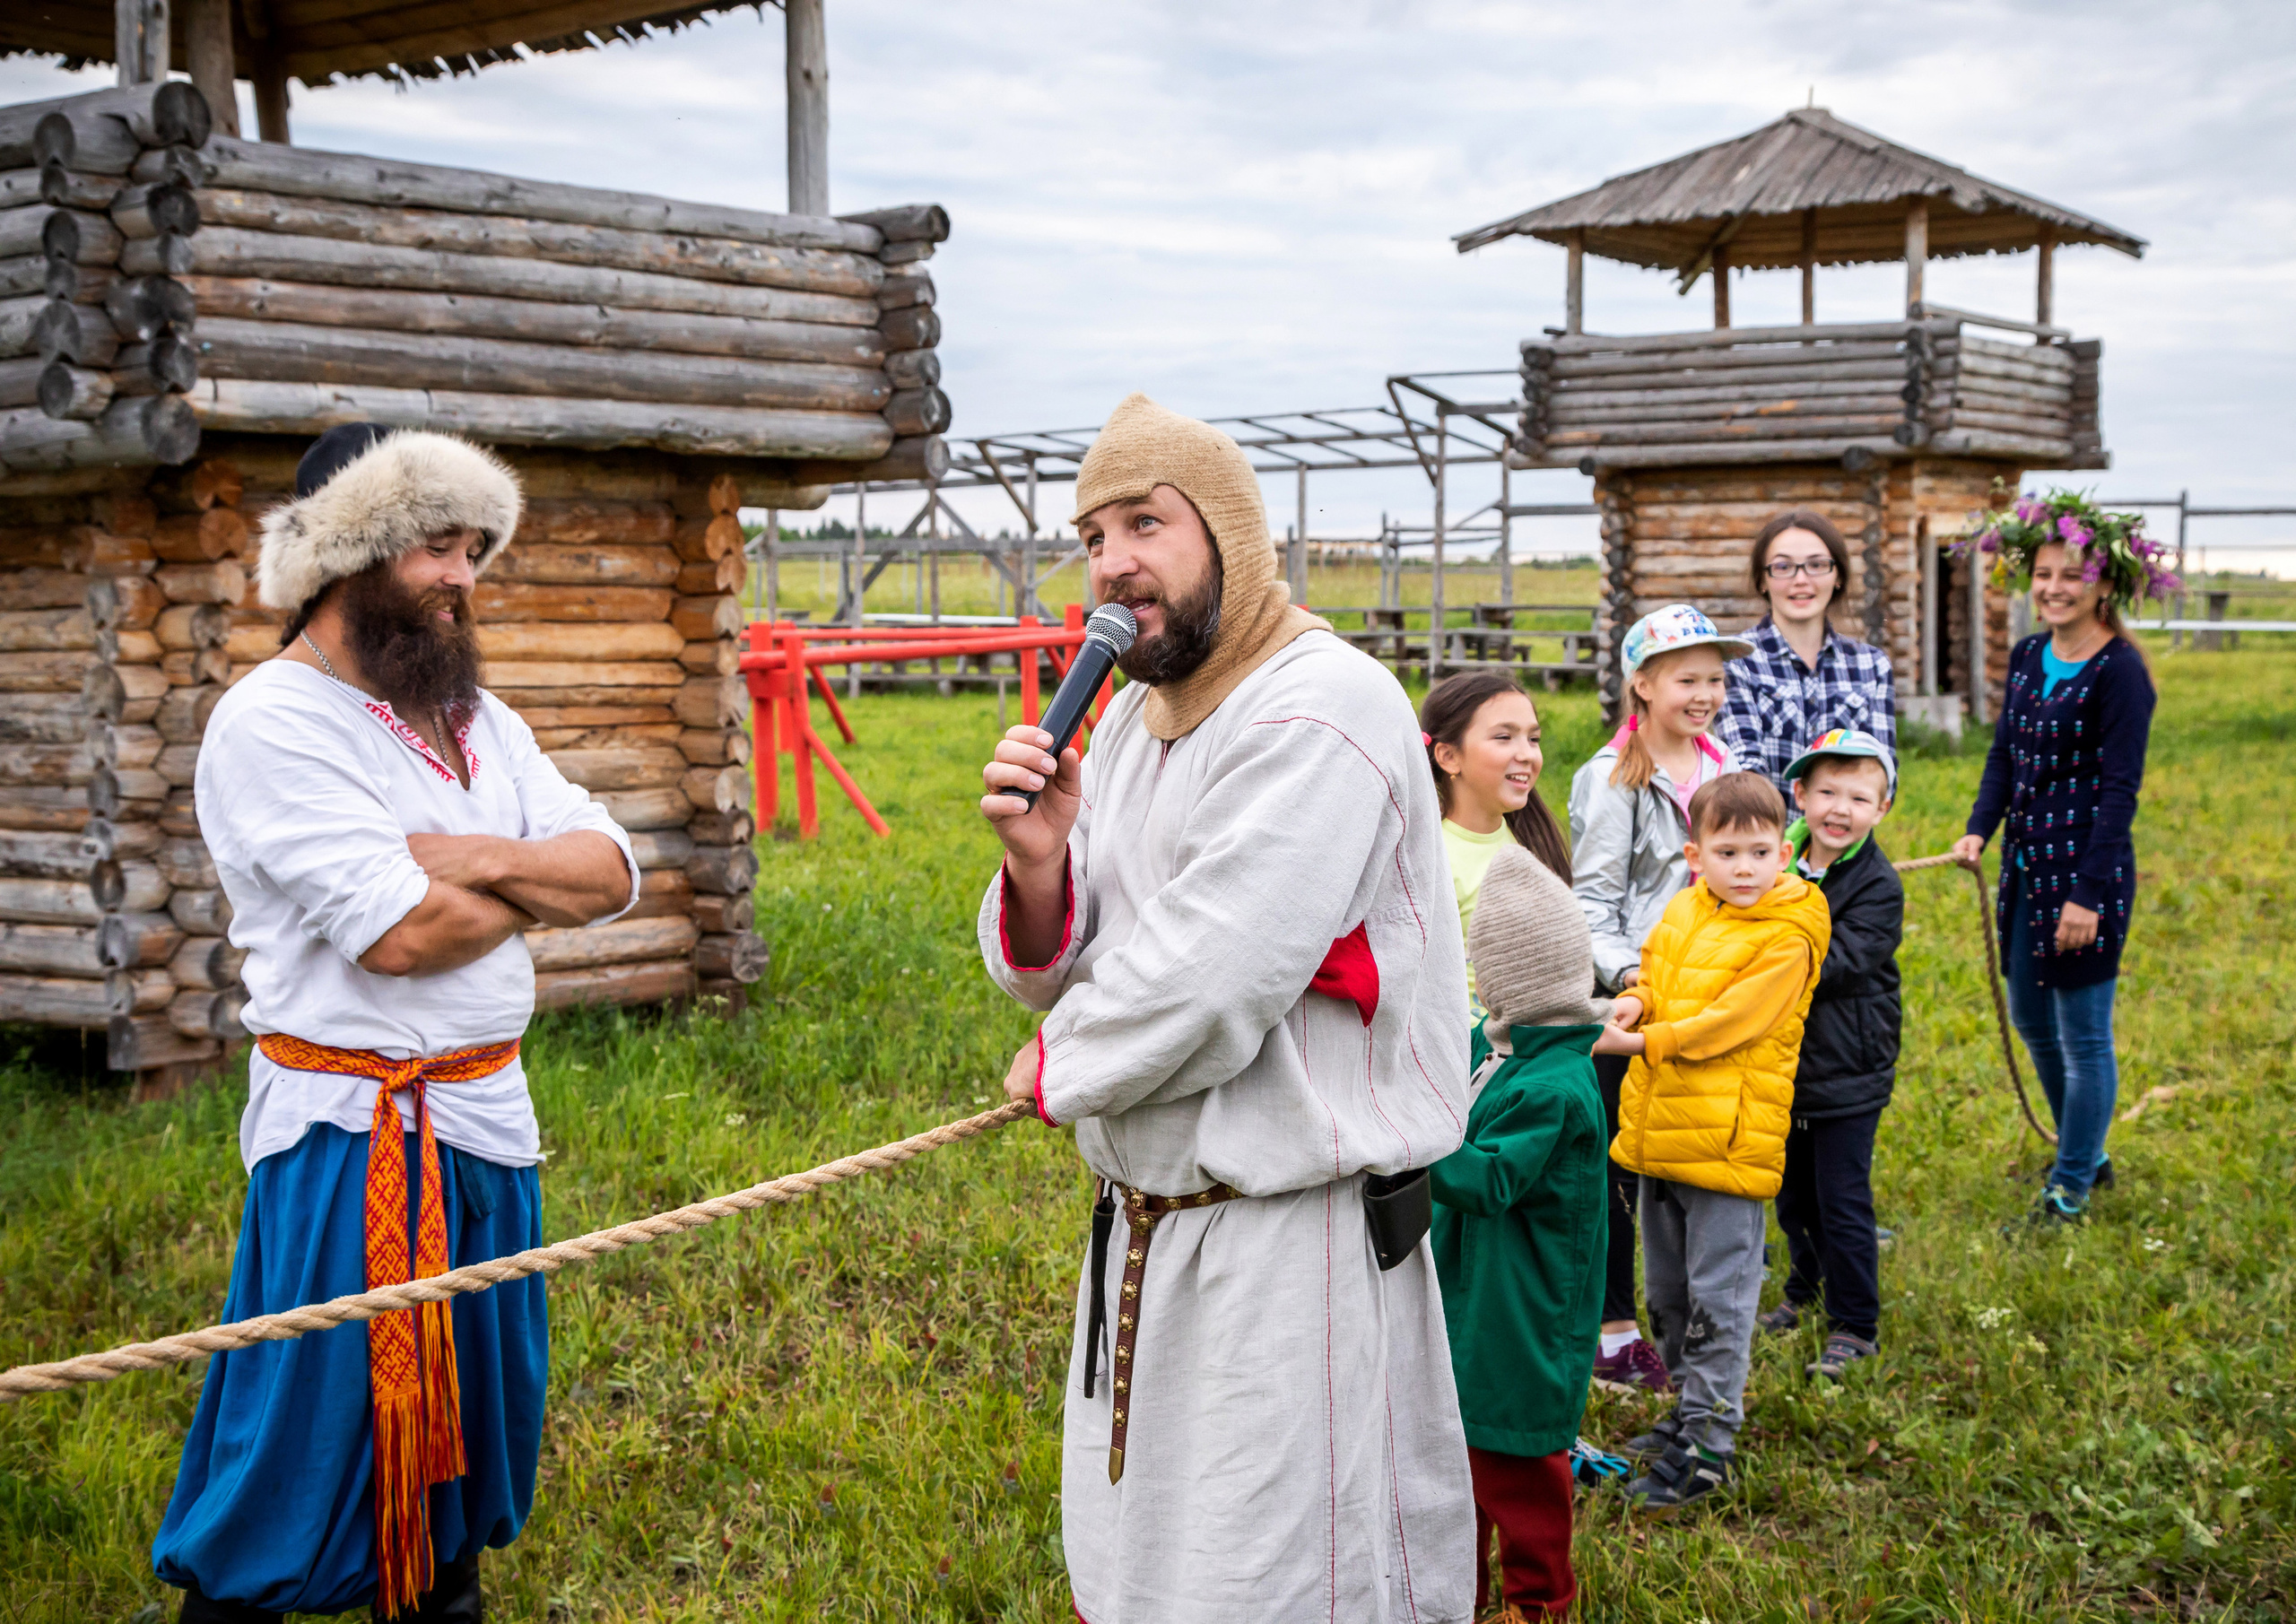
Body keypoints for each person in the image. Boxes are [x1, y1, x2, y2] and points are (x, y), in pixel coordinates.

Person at [975, 394, 1474, 1624]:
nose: (1113, 563)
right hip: (1146, 1225)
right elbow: (1083, 945)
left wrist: (1059, 1062)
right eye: (1093, 534)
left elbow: (1215, 968)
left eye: (1146, 522)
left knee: (1278, 1575)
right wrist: (1042, 863)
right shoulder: (1145, 721)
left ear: (1234, 536)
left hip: (1285, 1241)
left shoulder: (1325, 704)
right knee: (1148, 1563)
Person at [153, 425, 640, 1622]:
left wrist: (474, 853)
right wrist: (531, 879)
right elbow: (401, 934)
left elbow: (614, 870)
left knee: (470, 1431)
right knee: (302, 1455)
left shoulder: (476, 721)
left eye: (474, 547)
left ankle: (445, 1602)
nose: (462, 575)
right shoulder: (274, 721)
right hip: (351, 1136)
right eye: (436, 544)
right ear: (346, 553)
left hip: (485, 1119)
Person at [1596, 770, 1829, 1508]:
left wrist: (1641, 1043)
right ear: (1696, 855)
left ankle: (1710, 1446)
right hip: (1662, 1132)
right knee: (1666, 1294)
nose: (1747, 869)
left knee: (1718, 1301)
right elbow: (1662, 983)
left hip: (1727, 1147)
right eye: (1729, 853)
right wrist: (1633, 1002)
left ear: (1783, 851)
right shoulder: (1683, 911)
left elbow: (1730, 1023)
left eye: (1762, 852)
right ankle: (1686, 1414)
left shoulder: (1789, 933)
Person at [1949, 493, 2165, 1223]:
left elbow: (2119, 788)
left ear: (2104, 583)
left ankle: (2073, 1180)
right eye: (2043, 573)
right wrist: (1981, 828)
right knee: (2031, 1018)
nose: (2053, 587)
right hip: (2025, 869)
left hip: (2084, 876)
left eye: (2071, 575)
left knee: (2083, 1033)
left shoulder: (2120, 672)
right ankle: (2087, 1148)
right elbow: (2006, 754)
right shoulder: (2028, 655)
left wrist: (2089, 893)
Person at [1568, 604, 1747, 1393]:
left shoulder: (1727, 768)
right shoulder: (1612, 778)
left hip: (1710, 992)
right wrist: (1631, 978)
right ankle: (1613, 1328)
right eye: (1686, 678)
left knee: (1685, 1154)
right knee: (1614, 1166)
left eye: (1714, 677)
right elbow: (1592, 904)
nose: (1704, 693)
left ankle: (1685, 1310)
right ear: (1641, 683)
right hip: (1633, 999)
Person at [1430, 845, 1613, 1621]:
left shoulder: (1555, 1086)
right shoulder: (1506, 1053)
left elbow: (1489, 1179)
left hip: (1526, 1310)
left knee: (1518, 1458)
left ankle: (1540, 1598)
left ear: (1513, 983)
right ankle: (1457, 1593)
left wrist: (1413, 1139)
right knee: (1458, 1457)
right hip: (1480, 1296)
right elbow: (1461, 1067)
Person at [1757, 729, 1904, 1383]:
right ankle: (1803, 1285)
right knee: (1792, 1191)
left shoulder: (1877, 885)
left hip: (1848, 1064)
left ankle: (1856, 1322)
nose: (1840, 808)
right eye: (1826, 792)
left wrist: (1760, 960)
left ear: (1882, 809)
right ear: (1800, 795)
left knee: (1841, 1196)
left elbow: (1840, 962)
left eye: (1858, 796)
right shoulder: (1779, 860)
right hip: (1784, 1063)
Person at [1419, 670, 1573, 1020]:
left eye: (1533, 739)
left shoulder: (1532, 841)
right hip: (1473, 1055)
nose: (1527, 754)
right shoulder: (1431, 857)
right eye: (1504, 737)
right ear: (1448, 757)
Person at [1715, 509, 1897, 796]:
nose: (1801, 579)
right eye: (1783, 567)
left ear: (1838, 576)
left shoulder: (1871, 666)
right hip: (1764, 836)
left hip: (1844, 837)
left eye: (1817, 565)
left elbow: (1883, 777)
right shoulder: (1736, 661)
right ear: (1762, 580)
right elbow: (1744, 773)